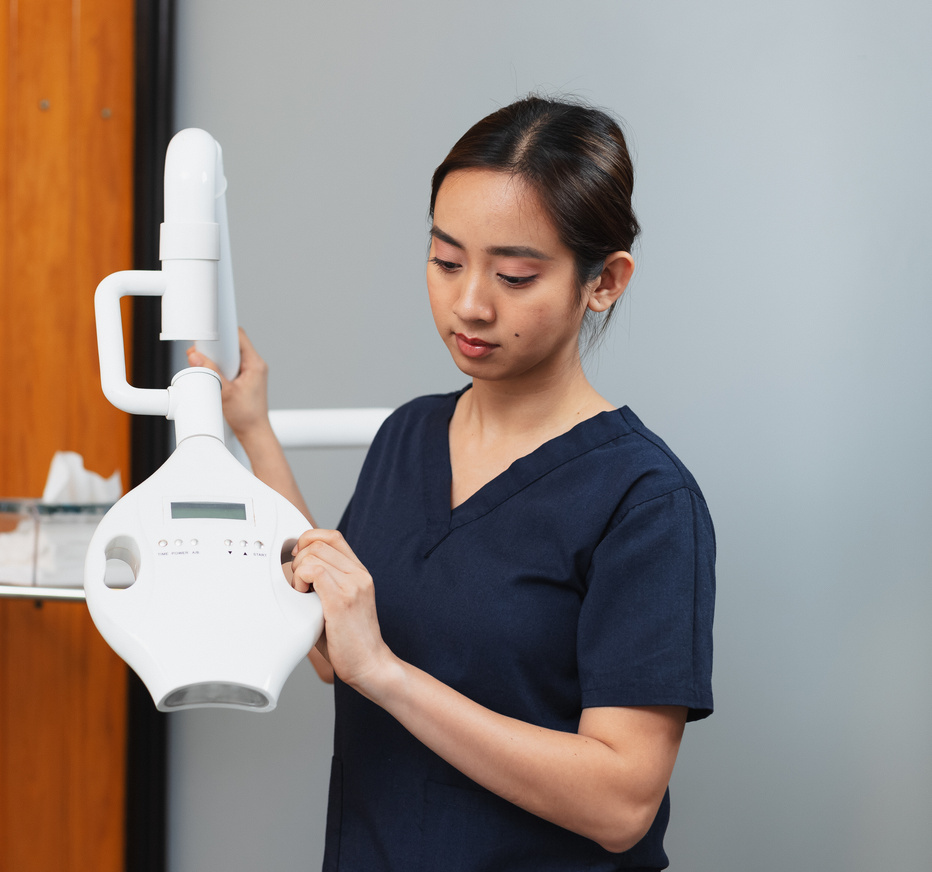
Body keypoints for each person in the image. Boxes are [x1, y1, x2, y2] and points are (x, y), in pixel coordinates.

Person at [187, 96, 715, 872]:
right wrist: (254, 432)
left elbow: (621, 803)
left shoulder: (643, 499)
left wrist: (390, 678)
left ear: (603, 282)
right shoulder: (410, 435)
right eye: (445, 261)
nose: (469, 302)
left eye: (514, 274)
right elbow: (337, 640)